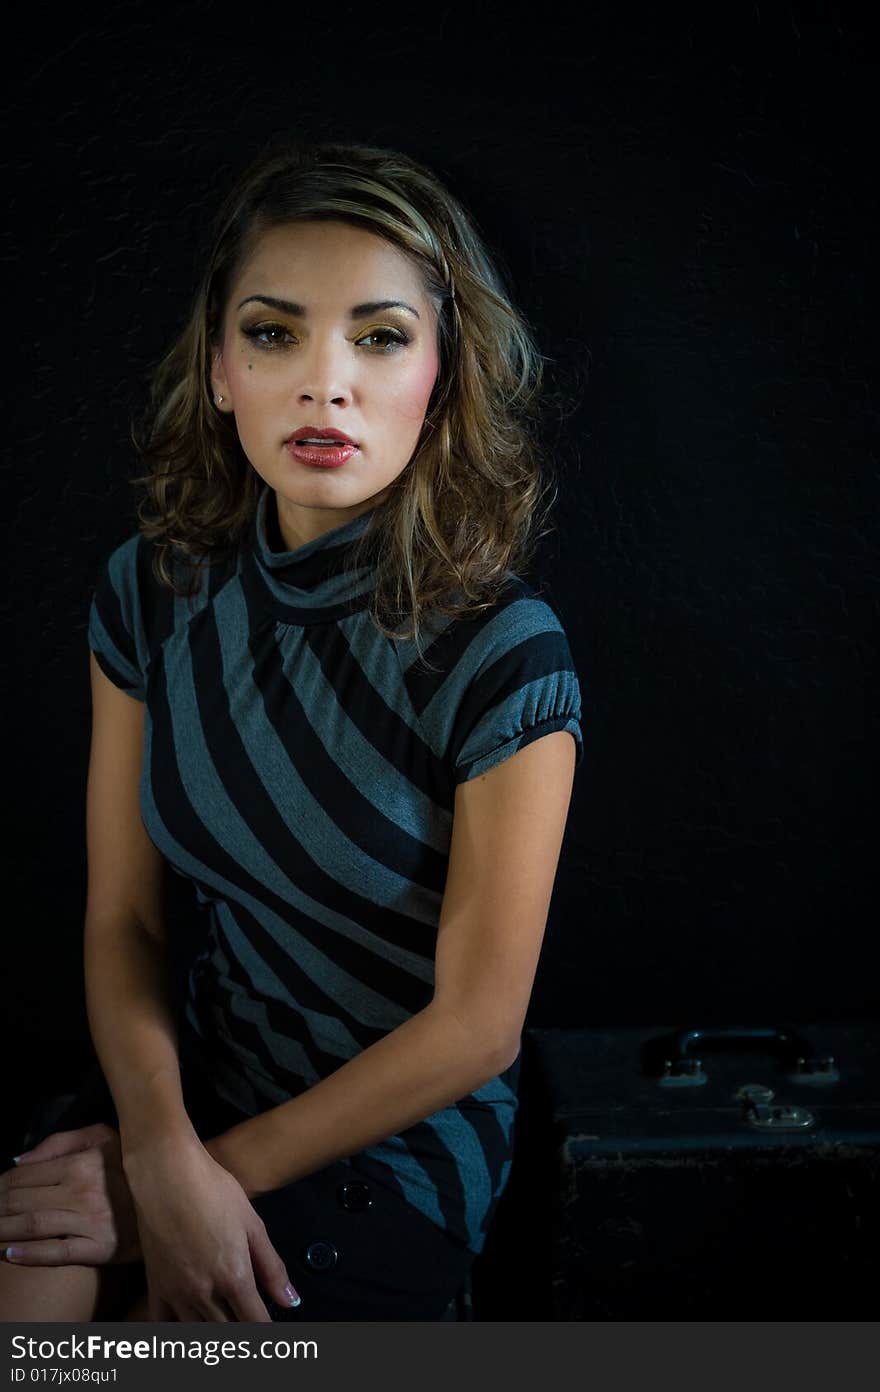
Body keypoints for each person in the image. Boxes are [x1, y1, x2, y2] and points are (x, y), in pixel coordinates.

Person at [0, 140, 583, 1322]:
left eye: (379, 336)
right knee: (26, 1297)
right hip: (191, 1091)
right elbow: (121, 917)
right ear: (218, 369)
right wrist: (162, 1152)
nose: (326, 383)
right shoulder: (152, 591)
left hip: (396, 1153)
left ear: (443, 373)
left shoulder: (502, 652)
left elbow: (478, 1025)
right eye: (274, 333)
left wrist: (205, 1184)